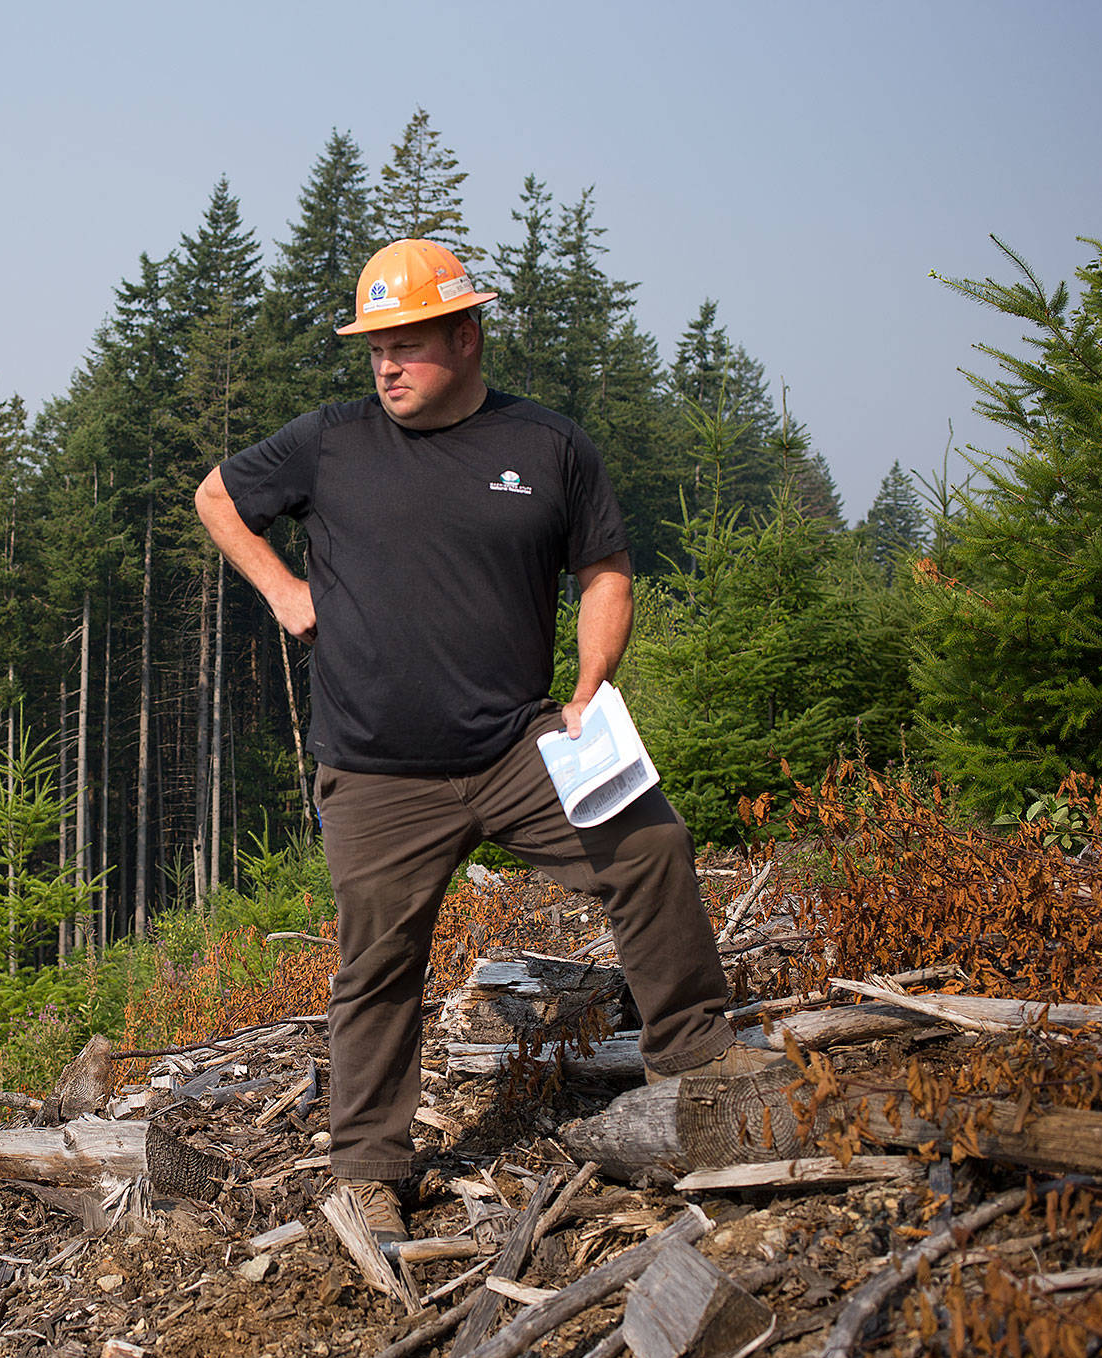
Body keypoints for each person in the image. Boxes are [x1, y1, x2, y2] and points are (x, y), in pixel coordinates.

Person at [194, 238, 781, 1240]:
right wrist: (284, 591)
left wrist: (590, 686)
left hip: (515, 746)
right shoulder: (327, 442)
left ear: (465, 338)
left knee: (648, 845)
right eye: (374, 348)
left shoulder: (548, 447)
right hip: (376, 770)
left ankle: (692, 1050)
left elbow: (603, 573)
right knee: (377, 965)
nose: (386, 366)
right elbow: (215, 496)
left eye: (407, 345)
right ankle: (370, 1169)